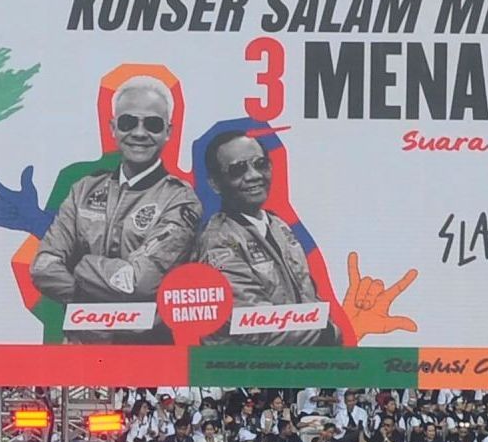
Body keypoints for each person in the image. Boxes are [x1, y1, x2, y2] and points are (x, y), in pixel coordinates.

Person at [31, 75, 200, 325]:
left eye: (152, 124)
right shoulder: (83, 190)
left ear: (168, 132)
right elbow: (43, 267)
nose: (139, 133)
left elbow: (139, 282)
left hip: (148, 351)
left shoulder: (181, 200)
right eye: (128, 122)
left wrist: (80, 265)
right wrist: (91, 302)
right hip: (80, 349)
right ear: (113, 128)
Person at [195, 133, 330, 347]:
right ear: (215, 184)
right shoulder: (218, 242)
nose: (253, 175)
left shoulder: (279, 226)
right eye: (238, 169)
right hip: (247, 373)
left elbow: (310, 299)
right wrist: (328, 332)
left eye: (260, 164)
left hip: (296, 365)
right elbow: (254, 328)